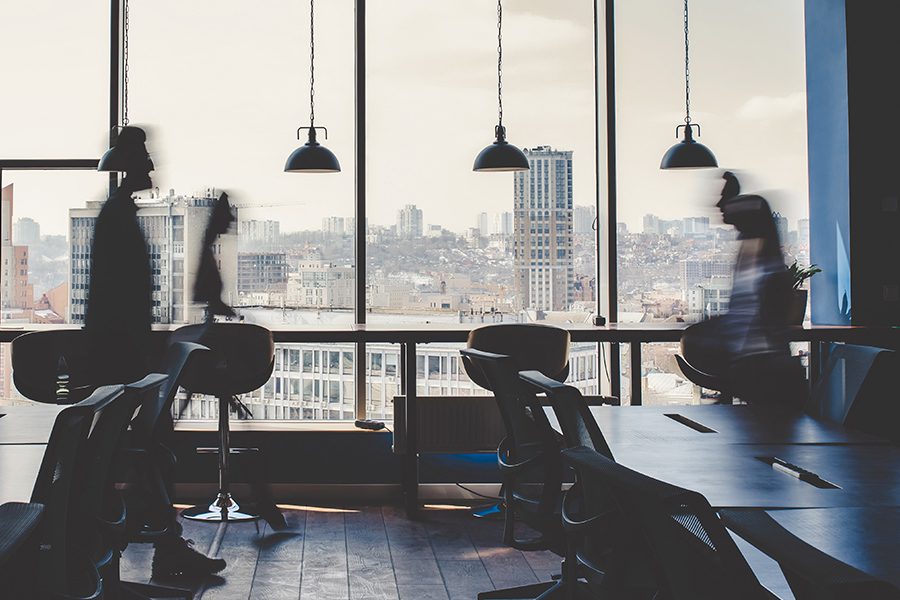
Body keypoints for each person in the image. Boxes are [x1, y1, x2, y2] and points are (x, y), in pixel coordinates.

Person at [85, 126, 227, 577]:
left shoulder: (117, 216)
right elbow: (120, 301)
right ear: (126, 164)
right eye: (144, 158)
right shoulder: (119, 219)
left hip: (120, 360)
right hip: (124, 363)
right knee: (147, 453)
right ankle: (164, 550)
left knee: (142, 454)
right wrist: (138, 366)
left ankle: (137, 549)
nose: (152, 166)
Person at [683, 171, 805, 409]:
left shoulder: (761, 265)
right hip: (755, 371)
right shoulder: (753, 259)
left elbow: (752, 322)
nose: (719, 207)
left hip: (761, 373)